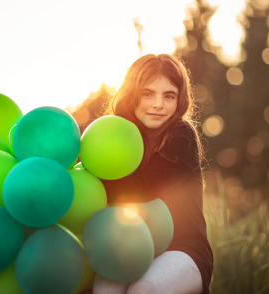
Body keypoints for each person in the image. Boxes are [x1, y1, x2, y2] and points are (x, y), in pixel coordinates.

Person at [91, 53, 213, 294]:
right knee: (105, 289)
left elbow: (141, 189)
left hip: (183, 249)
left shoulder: (181, 136)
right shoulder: (117, 136)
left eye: (169, 96)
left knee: (145, 288)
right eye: (148, 94)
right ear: (132, 96)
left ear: (180, 101)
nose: (158, 104)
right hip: (128, 245)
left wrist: (94, 173)